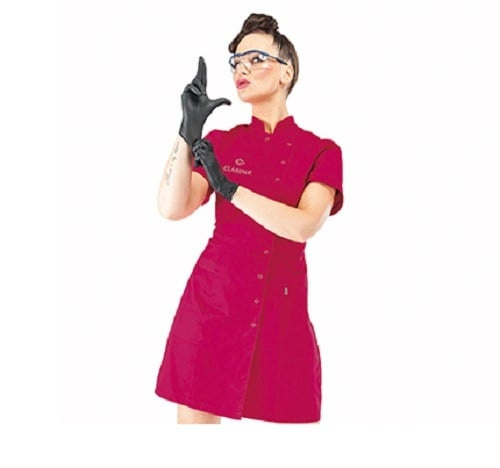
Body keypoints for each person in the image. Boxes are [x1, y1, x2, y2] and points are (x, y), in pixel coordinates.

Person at [155, 13, 344, 424]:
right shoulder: (222, 143)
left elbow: (303, 225)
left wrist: (231, 190)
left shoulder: (321, 151)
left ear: (286, 72)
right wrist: (187, 132)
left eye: (256, 59)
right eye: (237, 62)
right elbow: (172, 207)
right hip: (212, 309)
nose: (242, 69)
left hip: (283, 320)